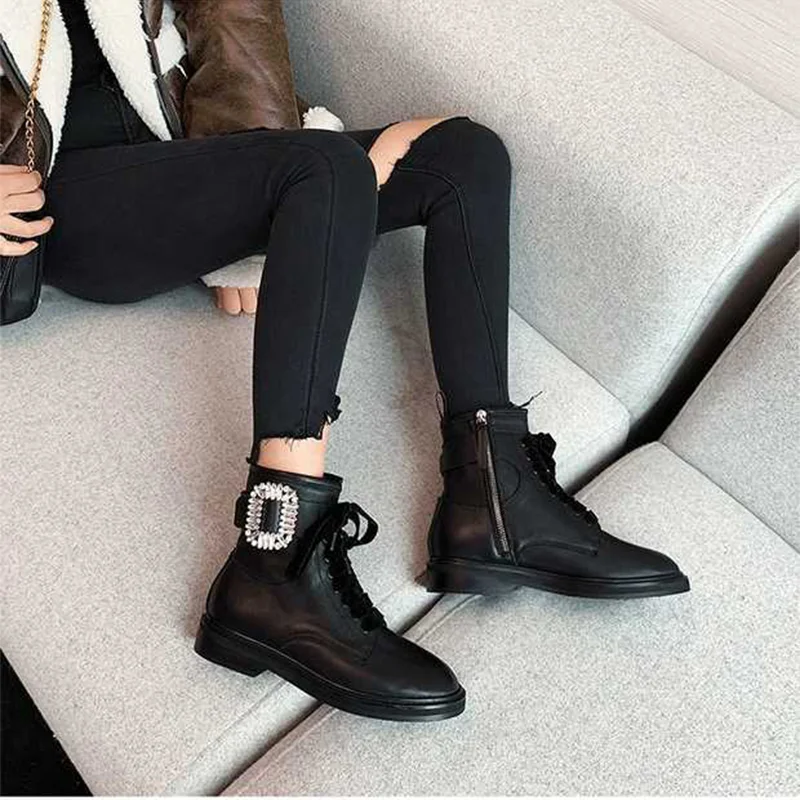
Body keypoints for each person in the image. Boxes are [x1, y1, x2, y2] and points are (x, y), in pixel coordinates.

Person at [0, 0, 688, 723]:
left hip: (182, 155)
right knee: (322, 168)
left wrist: (258, 209)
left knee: (462, 155)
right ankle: (275, 558)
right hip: (61, 199)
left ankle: (496, 494)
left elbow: (234, 26)